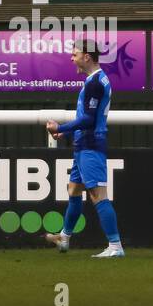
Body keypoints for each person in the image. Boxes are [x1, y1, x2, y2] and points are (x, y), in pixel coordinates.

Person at [44, 39, 124, 258]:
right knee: (74, 190)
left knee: (98, 195)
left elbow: (88, 119)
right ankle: (65, 238)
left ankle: (115, 246)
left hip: (91, 145)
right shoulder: (94, 80)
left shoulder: (95, 82)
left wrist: (61, 126)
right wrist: (66, 132)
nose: (72, 58)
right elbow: (85, 117)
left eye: (75, 54)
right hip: (83, 144)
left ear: (87, 57)